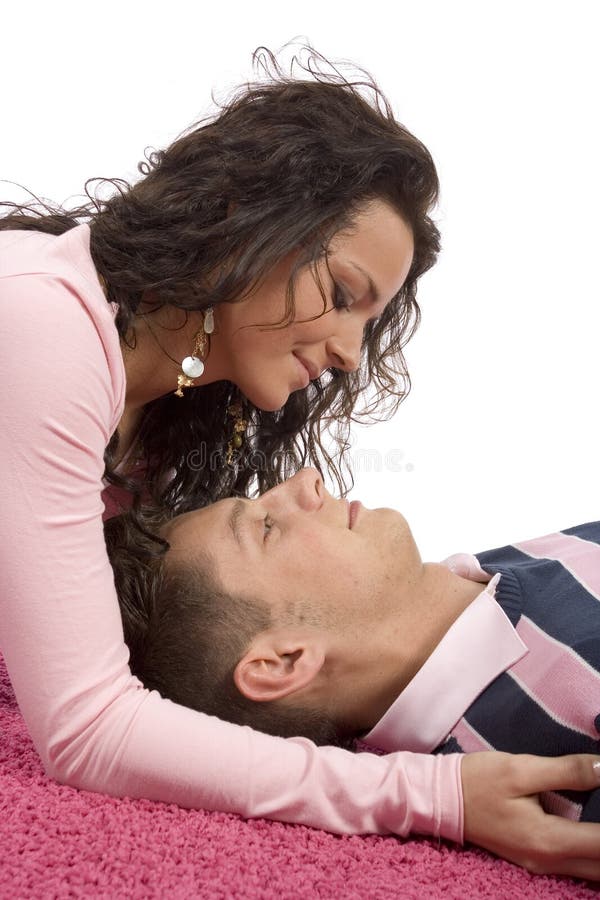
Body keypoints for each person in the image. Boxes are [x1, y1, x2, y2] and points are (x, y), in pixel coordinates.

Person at [2, 48, 600, 880]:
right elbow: (87, 729)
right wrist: (430, 796)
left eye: (374, 318)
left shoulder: (162, 418)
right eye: (345, 290)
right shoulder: (40, 326)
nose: (355, 353)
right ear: (247, 219)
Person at [107, 470, 600, 826]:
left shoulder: (506, 571)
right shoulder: (559, 744)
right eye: (266, 527)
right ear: (283, 662)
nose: (307, 480)